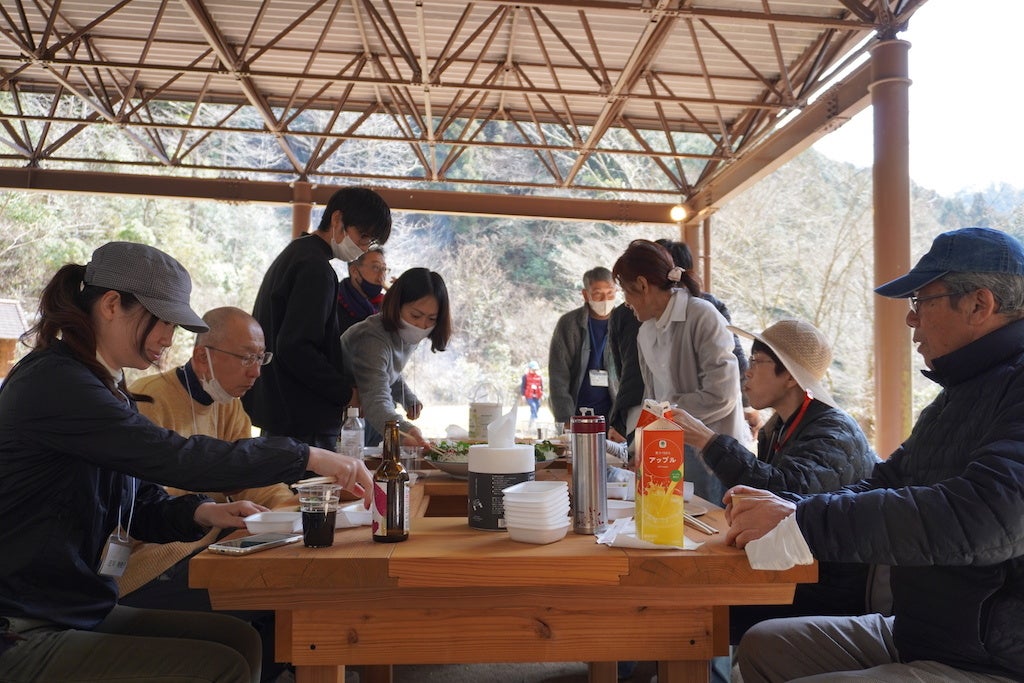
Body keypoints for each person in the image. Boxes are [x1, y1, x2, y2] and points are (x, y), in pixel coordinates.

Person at [0, 241, 372, 683]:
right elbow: (178, 457)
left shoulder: (103, 383)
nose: (167, 339)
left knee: (240, 640)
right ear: (112, 305)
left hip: (73, 607)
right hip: (24, 626)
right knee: (221, 665)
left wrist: (201, 511)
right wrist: (307, 455)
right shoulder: (58, 383)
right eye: (160, 322)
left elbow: (134, 500)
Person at [730, 227, 1024, 683]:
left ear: (978, 305)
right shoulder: (960, 392)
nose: (911, 320)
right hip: (924, 629)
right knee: (763, 645)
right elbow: (888, 478)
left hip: (992, 654)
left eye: (921, 302)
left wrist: (804, 523)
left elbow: (985, 517)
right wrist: (793, 511)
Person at [669, 319, 877, 644]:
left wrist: (708, 440)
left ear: (791, 375)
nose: (746, 372)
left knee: (696, 608)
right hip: (794, 566)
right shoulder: (782, 425)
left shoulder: (832, 431)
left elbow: (784, 494)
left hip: (826, 586)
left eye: (756, 362)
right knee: (682, 597)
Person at [121, 306, 295, 681]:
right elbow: (146, 509)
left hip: (212, 543)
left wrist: (291, 508)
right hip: (153, 560)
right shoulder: (147, 400)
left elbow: (251, 477)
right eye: (247, 357)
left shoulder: (229, 404)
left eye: (261, 357)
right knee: (281, 598)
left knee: (290, 599)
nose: (256, 370)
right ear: (203, 356)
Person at [244, 186, 392, 449]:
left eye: (370, 241)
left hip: (280, 412)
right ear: (337, 220)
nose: (362, 247)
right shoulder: (316, 270)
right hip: (302, 419)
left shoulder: (295, 253)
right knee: (307, 491)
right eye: (362, 235)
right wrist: (346, 393)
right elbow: (295, 347)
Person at [611, 239, 748, 506]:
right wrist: (640, 447)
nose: (626, 302)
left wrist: (665, 416)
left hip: (711, 451)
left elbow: (722, 394)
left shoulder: (702, 316)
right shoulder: (646, 330)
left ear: (642, 285)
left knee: (710, 533)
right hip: (669, 449)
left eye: (625, 292)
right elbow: (652, 398)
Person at [655, 238, 761, 436]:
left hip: (700, 422)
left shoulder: (706, 309)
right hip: (664, 420)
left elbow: (730, 361)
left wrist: (747, 405)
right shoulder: (642, 313)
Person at [341, 267, 451, 448]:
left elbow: (387, 371)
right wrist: (405, 431)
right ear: (396, 305)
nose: (422, 325)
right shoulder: (372, 337)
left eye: (432, 319)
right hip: (343, 421)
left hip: (365, 414)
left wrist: (407, 398)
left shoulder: (405, 333)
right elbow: (375, 399)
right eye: (416, 315)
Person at [548, 267, 619, 425]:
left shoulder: (624, 321)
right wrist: (565, 417)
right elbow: (558, 374)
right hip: (576, 414)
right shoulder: (569, 324)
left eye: (610, 293)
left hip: (615, 417)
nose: (605, 299)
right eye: (598, 293)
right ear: (586, 295)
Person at [338, 245, 388, 335]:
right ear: (354, 271)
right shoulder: (332, 302)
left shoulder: (385, 306)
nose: (381, 276)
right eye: (376, 267)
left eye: (384, 269)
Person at [520, 360, 544, 429]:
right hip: (529, 396)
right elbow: (523, 386)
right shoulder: (525, 377)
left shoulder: (539, 377)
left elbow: (541, 386)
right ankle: (536, 422)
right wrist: (523, 395)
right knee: (533, 407)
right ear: (529, 369)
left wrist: (541, 395)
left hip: (537, 396)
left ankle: (530, 425)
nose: (534, 371)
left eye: (535, 369)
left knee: (536, 407)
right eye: (533, 369)